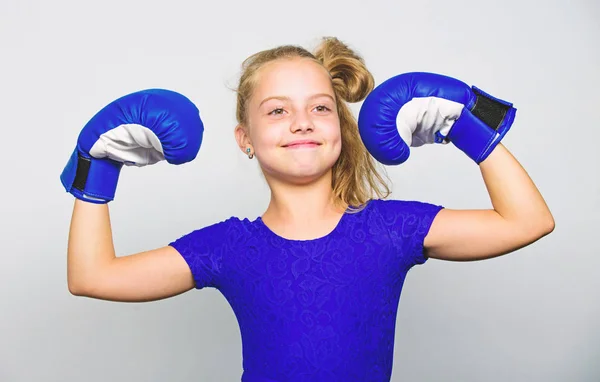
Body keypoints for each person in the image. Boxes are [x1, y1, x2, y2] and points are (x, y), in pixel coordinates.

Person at [62, 37, 555, 382]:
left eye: (320, 108)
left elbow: (528, 221)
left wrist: (471, 123)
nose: (302, 122)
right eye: (277, 110)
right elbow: (93, 276)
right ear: (246, 139)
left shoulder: (390, 228)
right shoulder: (230, 247)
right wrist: (97, 168)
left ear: (341, 127)